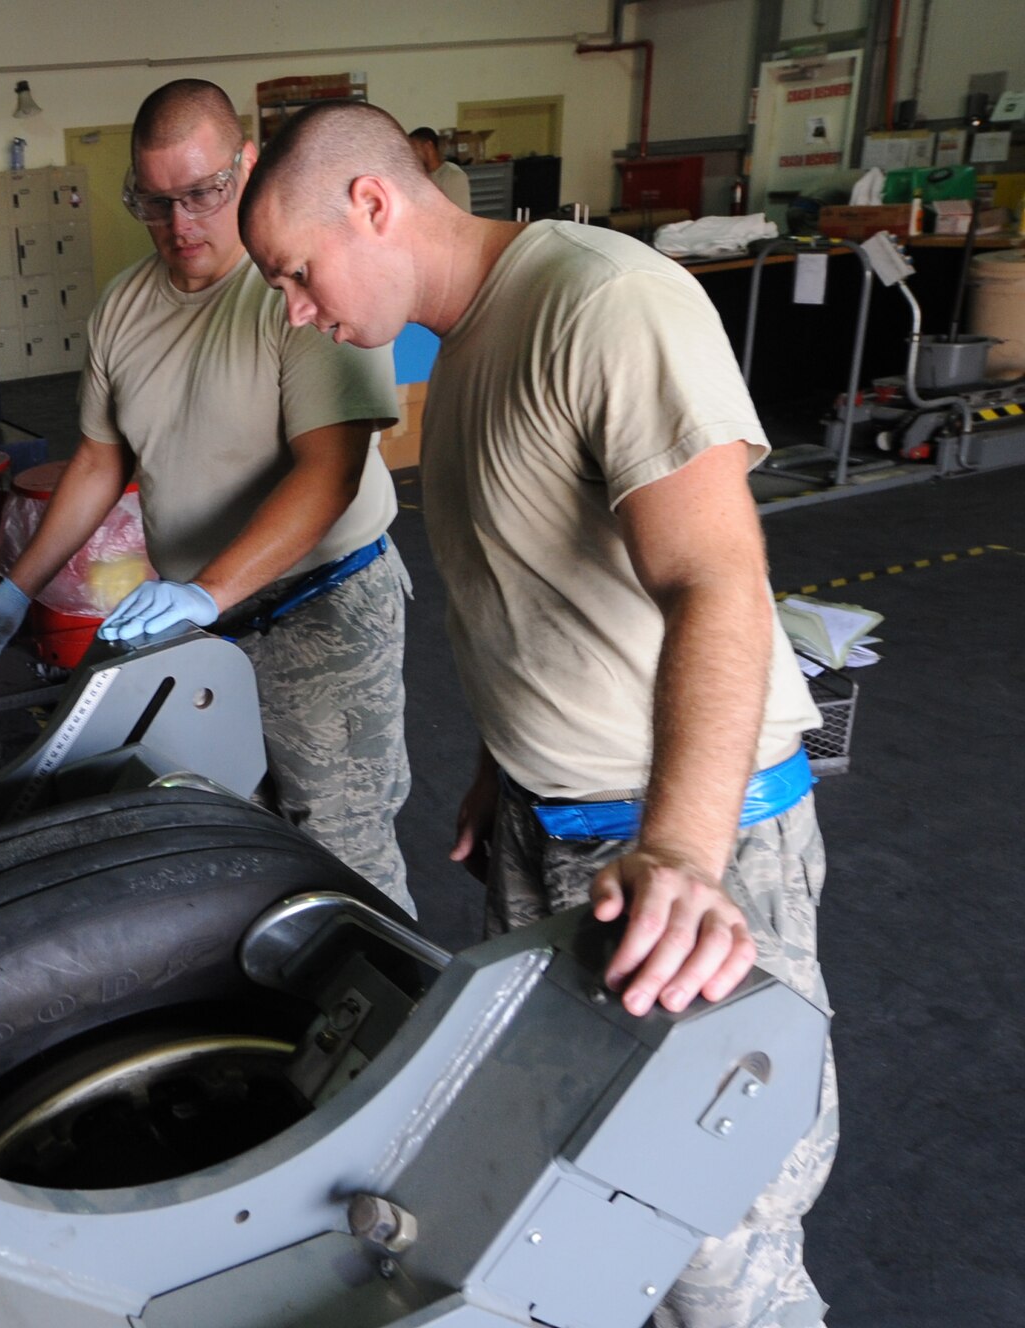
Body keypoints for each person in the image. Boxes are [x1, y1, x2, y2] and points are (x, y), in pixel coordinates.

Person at [238, 101, 836, 1328]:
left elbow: (716, 581)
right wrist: (501, 762)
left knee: (711, 1241)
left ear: (371, 203)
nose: (294, 309)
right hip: (551, 830)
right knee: (569, 1199)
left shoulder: (603, 303)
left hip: (685, 850)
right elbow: (536, 595)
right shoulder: (463, 347)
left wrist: (681, 855)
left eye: (294, 273)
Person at [0, 79, 415, 910]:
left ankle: (390, 989)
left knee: (342, 852)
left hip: (319, 611)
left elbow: (329, 473)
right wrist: (18, 587)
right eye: (155, 203)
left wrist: (206, 590)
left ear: (247, 165)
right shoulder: (124, 307)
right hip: (205, 626)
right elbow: (100, 460)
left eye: (203, 193)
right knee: (228, 839)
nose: (181, 224)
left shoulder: (301, 288)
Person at [407, 127, 473, 212]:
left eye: (414, 148)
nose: (412, 154)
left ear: (428, 146)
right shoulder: (420, 176)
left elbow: (460, 216)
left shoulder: (453, 176)